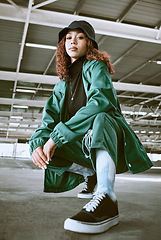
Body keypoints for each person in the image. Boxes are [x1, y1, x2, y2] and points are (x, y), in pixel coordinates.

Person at [29, 20, 153, 234]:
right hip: (84, 146)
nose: (73, 42)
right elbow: (48, 122)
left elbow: (100, 103)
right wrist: (38, 145)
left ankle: (107, 199)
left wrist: (57, 138)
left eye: (80, 37)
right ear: (63, 45)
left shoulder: (96, 67)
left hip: (109, 137)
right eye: (68, 38)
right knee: (41, 146)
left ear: (89, 43)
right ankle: (91, 173)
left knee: (100, 118)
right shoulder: (61, 85)